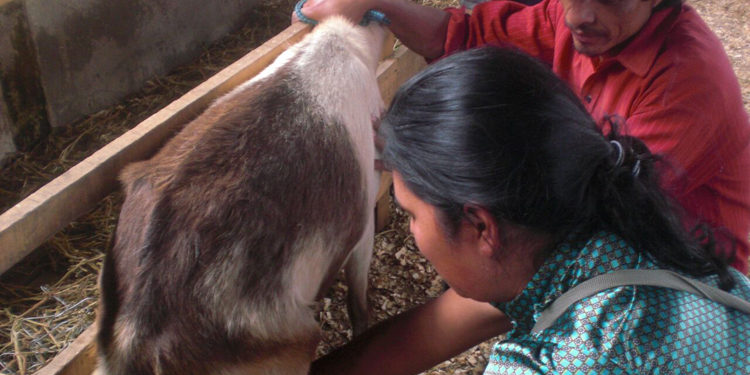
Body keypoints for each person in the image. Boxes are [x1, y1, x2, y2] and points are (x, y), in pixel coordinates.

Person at [298, 47, 750, 375]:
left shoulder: (569, 371)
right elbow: (432, 329)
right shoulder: (588, 224)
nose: (411, 233)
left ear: (480, 226)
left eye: (411, 214)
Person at [296, 0, 750, 273]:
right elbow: (468, 35)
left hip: (681, 263)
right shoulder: (573, 18)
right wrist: (377, 3)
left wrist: (433, 161)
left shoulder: (684, 83)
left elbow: (599, 221)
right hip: (597, 217)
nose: (582, 16)